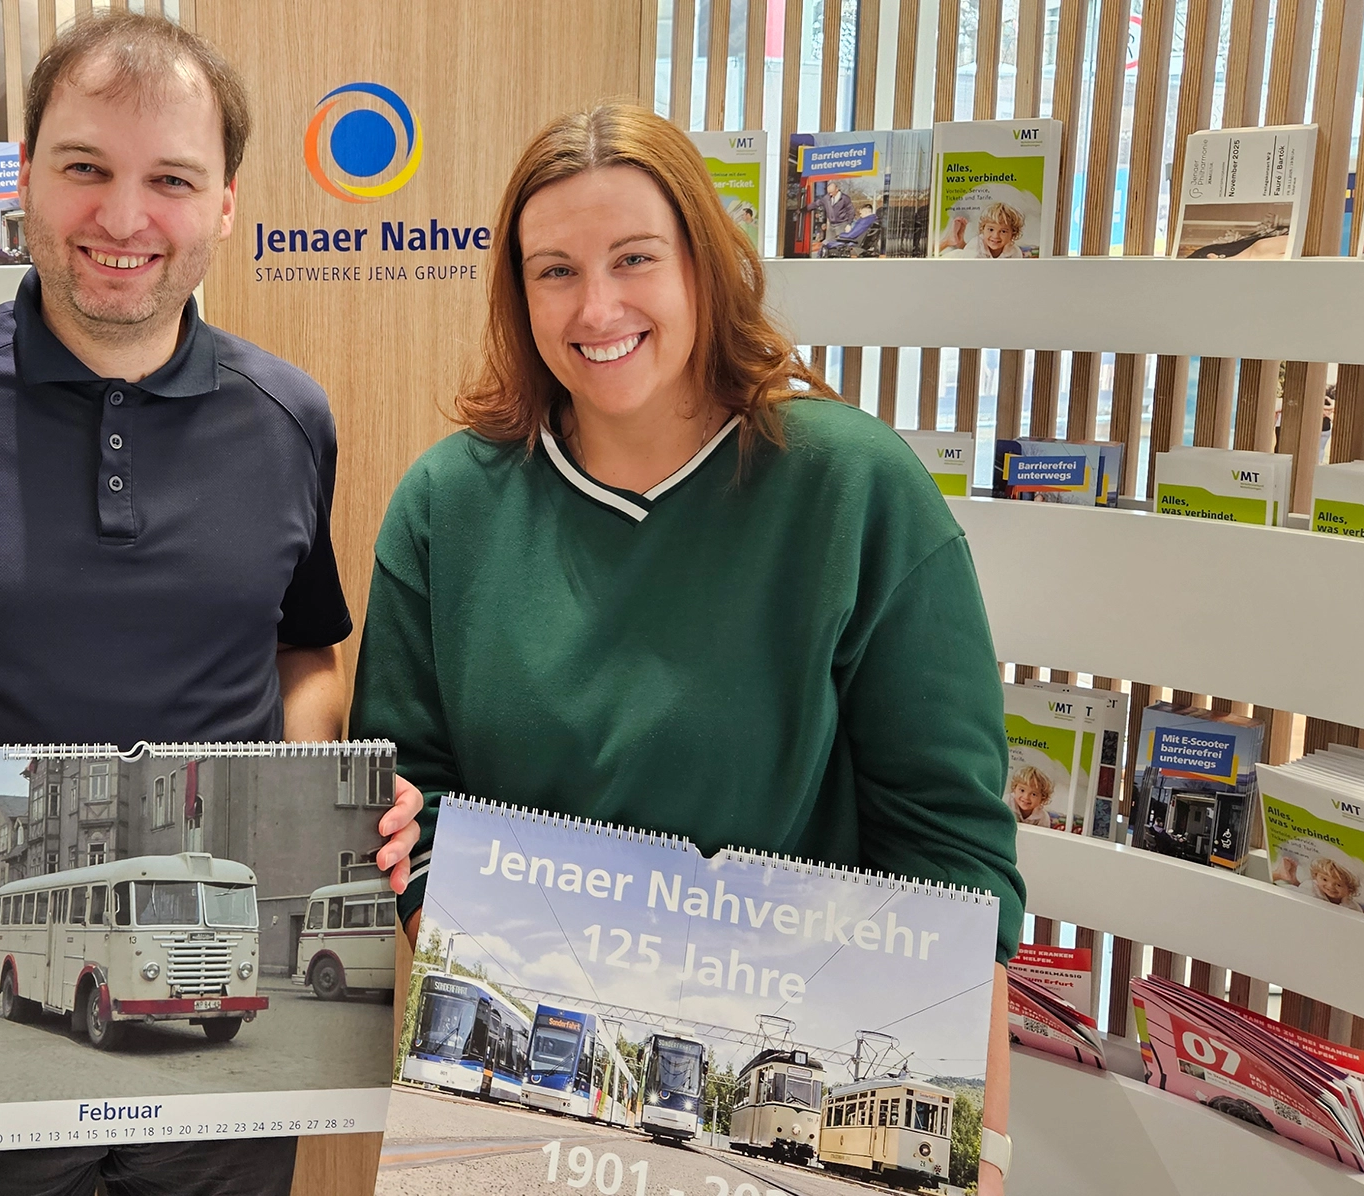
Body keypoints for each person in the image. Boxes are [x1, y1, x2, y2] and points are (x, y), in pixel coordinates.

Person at [0, 12, 420, 1196]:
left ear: (224, 204)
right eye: (85, 168)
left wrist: (317, 790)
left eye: (171, 180)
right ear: (24, 176)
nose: (122, 217)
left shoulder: (289, 419)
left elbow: (306, 649)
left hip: (218, 1098)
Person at [350, 102, 1022, 1196]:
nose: (596, 307)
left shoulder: (851, 490)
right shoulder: (446, 507)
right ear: (517, 295)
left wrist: (977, 1158)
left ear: (704, 265)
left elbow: (950, 855)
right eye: (554, 271)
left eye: (634, 259)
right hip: (525, 1127)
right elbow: (408, 802)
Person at [938, 200, 1025, 258]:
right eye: (991, 229)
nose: (995, 236)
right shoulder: (976, 245)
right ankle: (949, 239)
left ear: (1013, 234)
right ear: (983, 229)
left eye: (1003, 231)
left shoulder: (1015, 252)